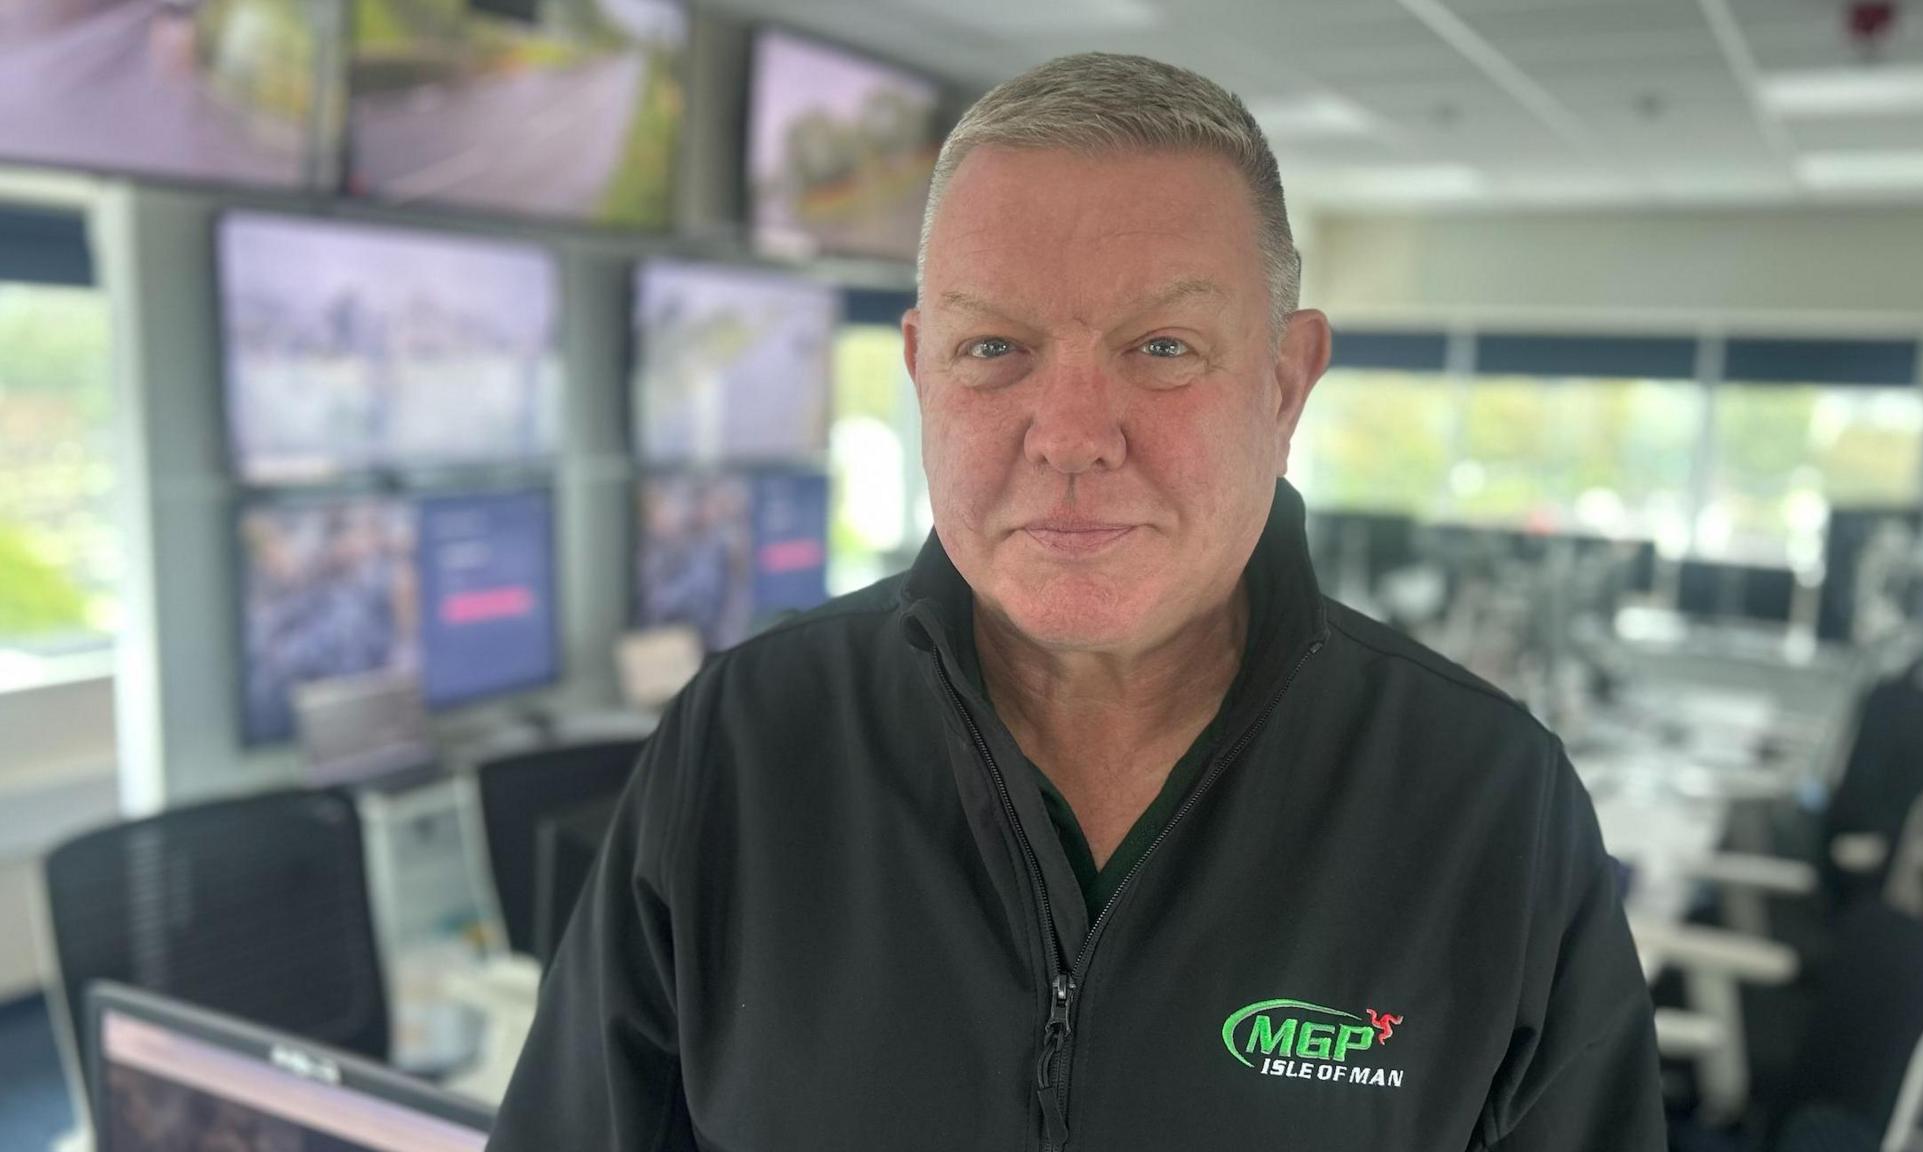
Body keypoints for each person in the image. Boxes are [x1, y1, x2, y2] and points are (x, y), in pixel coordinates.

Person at [487, 53, 1662, 1151]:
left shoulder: (1483, 804)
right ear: (918, 372)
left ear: (1284, 379)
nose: (1070, 439)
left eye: (1160, 347)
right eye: (993, 348)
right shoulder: (743, 744)